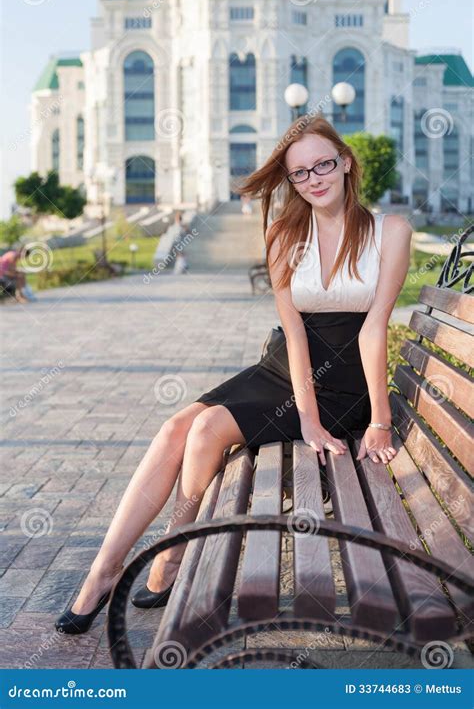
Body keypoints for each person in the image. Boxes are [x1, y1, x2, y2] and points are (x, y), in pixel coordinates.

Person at [55, 115, 412, 634]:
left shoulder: (390, 231)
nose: (314, 179)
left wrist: (377, 420)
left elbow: (374, 327)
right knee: (174, 428)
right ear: (289, 181)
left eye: (323, 164)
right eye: (299, 173)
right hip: (282, 368)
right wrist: (303, 418)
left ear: (346, 162)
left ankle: (172, 554)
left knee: (205, 431)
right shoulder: (283, 235)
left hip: (343, 384)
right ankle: (104, 571)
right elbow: (292, 333)